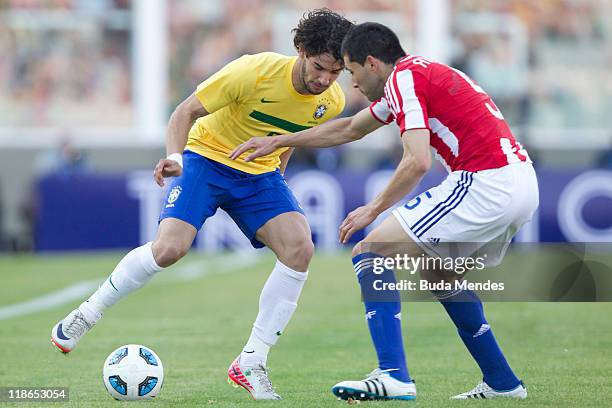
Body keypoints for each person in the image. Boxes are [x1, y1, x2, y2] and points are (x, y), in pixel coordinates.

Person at [50, 9, 353, 401]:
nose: (325, 80)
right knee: (169, 249)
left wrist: (276, 176)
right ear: (300, 50)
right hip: (206, 159)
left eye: (336, 72)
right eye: (319, 68)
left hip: (258, 175)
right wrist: (176, 158)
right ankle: (87, 313)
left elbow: (289, 137)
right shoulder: (253, 71)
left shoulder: (331, 101)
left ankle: (251, 361)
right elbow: (184, 112)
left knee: (300, 248)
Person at [230, 22, 538, 401]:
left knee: (370, 252)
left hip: (486, 182)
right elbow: (349, 130)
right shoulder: (418, 74)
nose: (353, 84)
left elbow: (417, 161)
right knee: (438, 274)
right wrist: (280, 140)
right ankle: (503, 382)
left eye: (353, 71)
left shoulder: (403, 80)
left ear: (372, 63)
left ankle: (393, 375)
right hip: (521, 181)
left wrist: (371, 210)